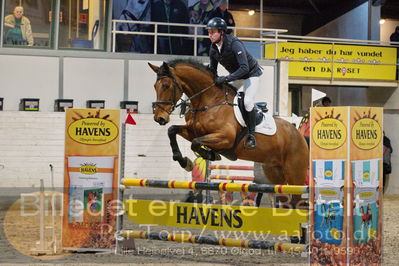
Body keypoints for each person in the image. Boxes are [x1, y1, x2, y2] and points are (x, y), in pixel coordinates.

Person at [207, 17, 263, 150]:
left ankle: (251, 134)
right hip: (237, 76)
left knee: (248, 101)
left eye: (213, 32)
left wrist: (225, 79)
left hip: (251, 74)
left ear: (221, 32)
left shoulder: (234, 43)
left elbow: (244, 68)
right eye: (208, 32)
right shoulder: (213, 49)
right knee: (222, 95)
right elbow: (212, 70)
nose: (210, 35)